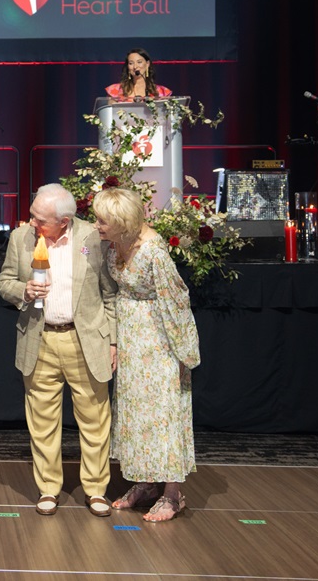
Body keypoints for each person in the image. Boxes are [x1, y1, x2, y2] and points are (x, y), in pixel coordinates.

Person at [0, 183, 117, 518]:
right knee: (42, 421)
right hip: (40, 338)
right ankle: (48, 489)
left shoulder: (93, 238)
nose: (33, 223)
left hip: (85, 339)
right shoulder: (20, 238)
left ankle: (95, 490)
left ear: (64, 221)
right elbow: (4, 282)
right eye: (33, 215)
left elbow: (110, 294)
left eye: (41, 219)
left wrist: (113, 340)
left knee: (94, 420)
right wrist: (24, 289)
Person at [91, 187, 200, 523]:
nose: (96, 225)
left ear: (122, 223)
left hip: (159, 342)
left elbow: (176, 300)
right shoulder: (114, 244)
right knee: (137, 414)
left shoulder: (154, 251)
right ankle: (145, 483)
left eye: (102, 221)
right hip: (131, 339)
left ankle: (172, 493)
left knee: (164, 414)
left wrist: (183, 352)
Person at [105, 47, 173, 100]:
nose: (135, 67)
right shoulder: (115, 90)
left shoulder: (162, 91)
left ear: (147, 64)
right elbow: (109, 114)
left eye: (139, 62)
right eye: (131, 63)